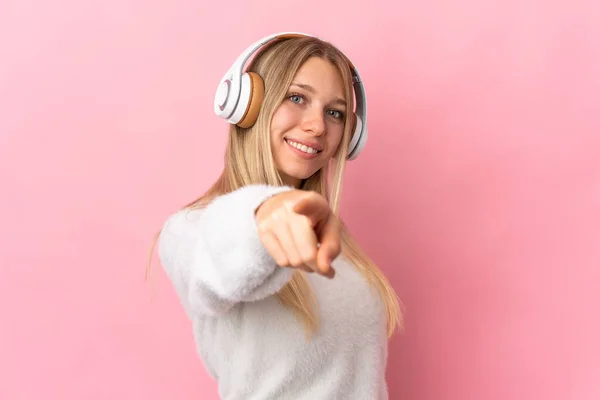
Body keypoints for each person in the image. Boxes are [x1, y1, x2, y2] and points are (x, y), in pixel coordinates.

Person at [150, 32, 403, 399]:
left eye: (334, 113)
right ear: (247, 103)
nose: (317, 126)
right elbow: (219, 256)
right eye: (297, 98)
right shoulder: (190, 230)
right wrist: (266, 211)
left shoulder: (332, 242)